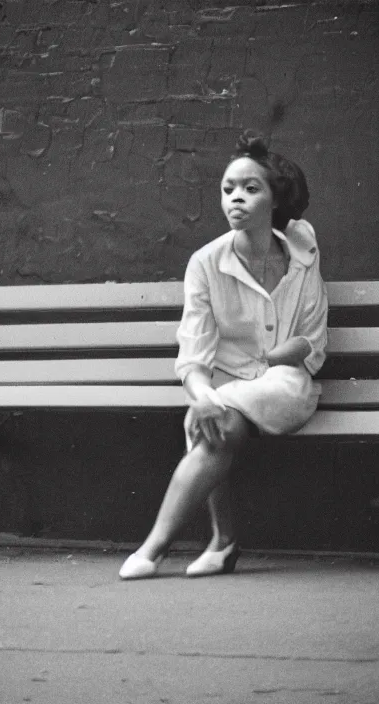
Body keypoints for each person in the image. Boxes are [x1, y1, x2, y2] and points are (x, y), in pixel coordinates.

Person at [119, 129, 328, 580]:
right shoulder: (206, 263)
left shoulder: (303, 253)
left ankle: (182, 545)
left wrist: (268, 363)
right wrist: (203, 394)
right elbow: (193, 354)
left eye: (251, 189)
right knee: (218, 420)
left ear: (275, 199)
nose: (235, 198)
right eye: (228, 189)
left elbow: (312, 343)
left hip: (285, 384)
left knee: (214, 414)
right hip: (226, 387)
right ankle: (201, 546)